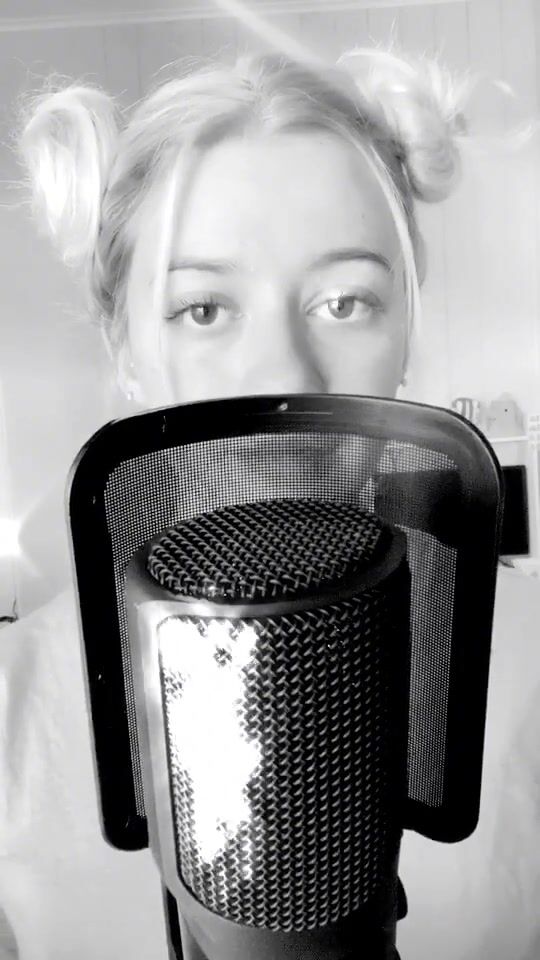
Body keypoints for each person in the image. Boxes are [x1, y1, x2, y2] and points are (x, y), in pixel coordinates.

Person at [1, 45, 538, 960]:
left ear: (407, 329)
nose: (283, 372)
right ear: (123, 347)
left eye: (345, 301)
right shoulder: (10, 714)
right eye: (205, 309)